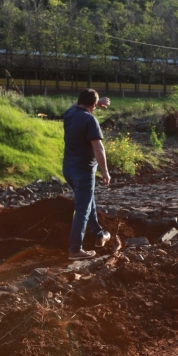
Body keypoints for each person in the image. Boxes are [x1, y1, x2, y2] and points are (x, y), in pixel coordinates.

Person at [63, 89, 111, 260]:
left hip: (68, 169)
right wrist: (105, 171)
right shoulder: (90, 119)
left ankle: (98, 235)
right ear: (93, 105)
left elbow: (77, 105)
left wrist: (95, 101)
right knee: (82, 209)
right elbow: (98, 148)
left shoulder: (69, 114)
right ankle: (75, 249)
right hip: (83, 170)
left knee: (87, 201)